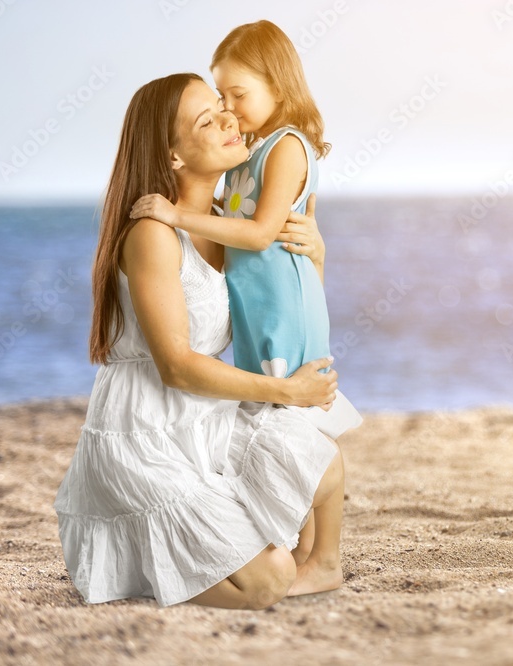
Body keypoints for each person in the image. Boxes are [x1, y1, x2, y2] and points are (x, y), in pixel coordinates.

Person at [53, 72, 346, 610]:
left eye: (223, 108)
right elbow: (178, 368)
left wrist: (315, 257)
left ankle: (279, 548)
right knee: (266, 580)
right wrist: (285, 392)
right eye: (207, 120)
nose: (229, 119)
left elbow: (280, 308)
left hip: (208, 418)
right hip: (144, 433)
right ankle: (145, 555)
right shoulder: (152, 233)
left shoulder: (225, 224)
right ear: (173, 157)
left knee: (323, 457)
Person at [130, 20, 362, 441]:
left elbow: (261, 237)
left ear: (278, 86)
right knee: (274, 425)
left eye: (239, 96)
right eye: (222, 98)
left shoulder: (285, 146)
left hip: (278, 314)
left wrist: (177, 217)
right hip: (256, 316)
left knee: (301, 430)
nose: (229, 110)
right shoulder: (245, 159)